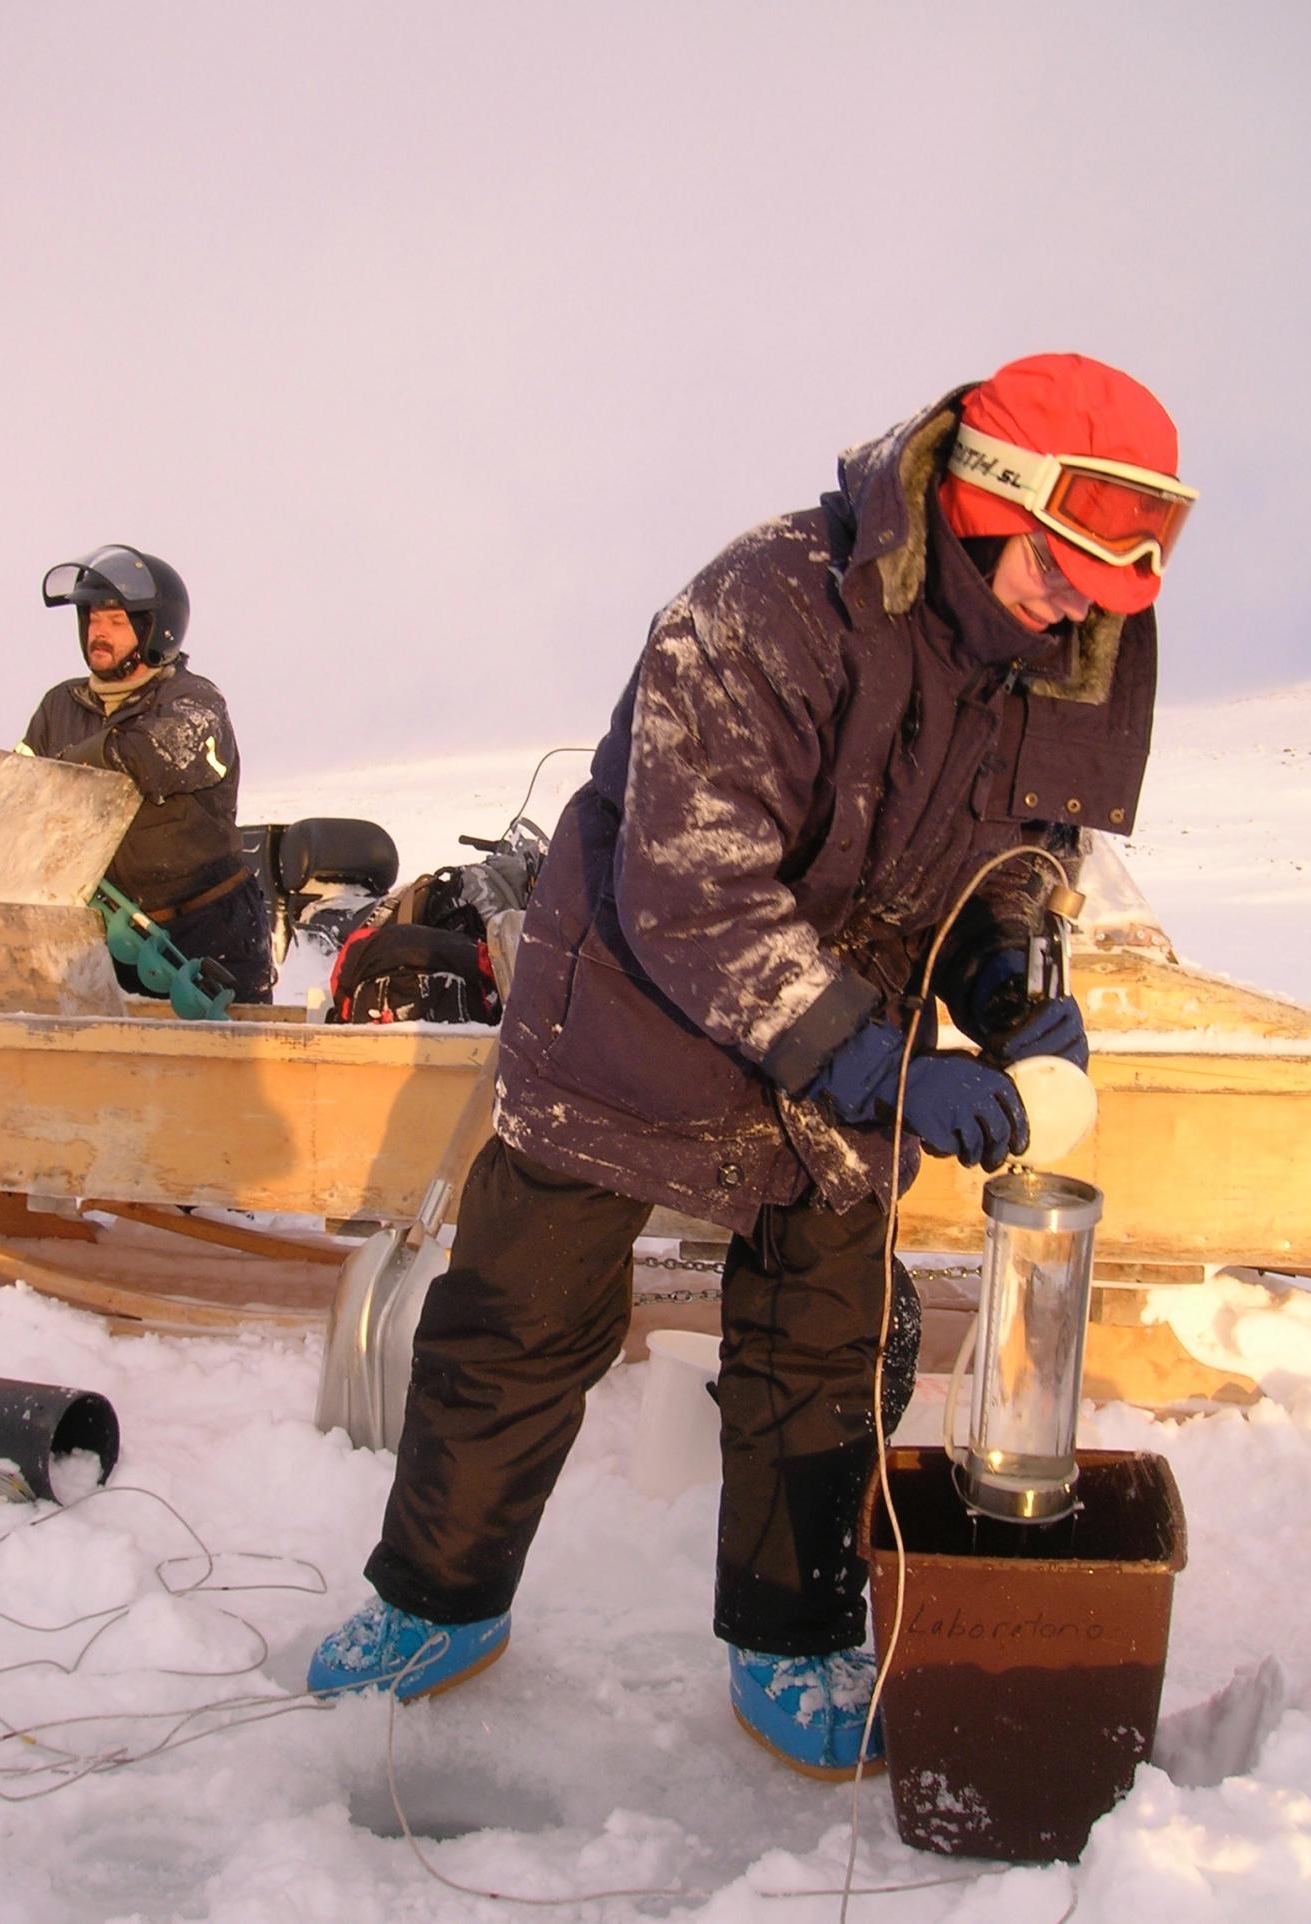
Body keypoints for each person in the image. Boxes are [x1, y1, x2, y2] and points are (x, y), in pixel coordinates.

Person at [307, 354, 1196, 1777]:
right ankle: (436, 1602)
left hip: (850, 1045)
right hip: (636, 1022)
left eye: (1117, 583)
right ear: (983, 497)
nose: (1087, 602)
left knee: (823, 1358)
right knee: (516, 1328)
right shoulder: (770, 602)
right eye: (1064, 565)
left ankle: (789, 1636)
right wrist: (861, 1055)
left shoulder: (1073, 649)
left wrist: (1014, 986)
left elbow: (1022, 863)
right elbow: (692, 883)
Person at [19, 544, 274, 1004]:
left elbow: (151, 757)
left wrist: (70, 764)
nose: (99, 632)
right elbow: (19, 793)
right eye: (93, 619)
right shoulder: (59, 706)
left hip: (209, 934)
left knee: (227, 1072)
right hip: (109, 938)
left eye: (116, 622)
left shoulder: (195, 701)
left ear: (157, 630)